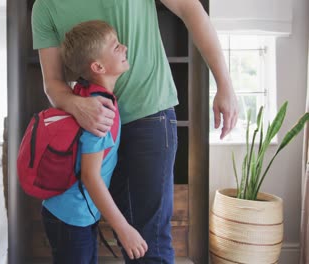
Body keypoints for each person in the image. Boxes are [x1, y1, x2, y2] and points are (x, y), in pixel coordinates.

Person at [32, 1, 239, 263]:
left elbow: (190, 8)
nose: (124, 48)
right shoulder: (44, 7)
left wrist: (225, 84)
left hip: (149, 116)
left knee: (148, 243)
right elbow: (52, 82)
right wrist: (77, 105)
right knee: (115, 237)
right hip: (95, 122)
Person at [41, 20, 148, 264]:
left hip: (69, 211)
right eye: (115, 46)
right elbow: (91, 177)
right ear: (98, 66)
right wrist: (124, 229)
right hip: (71, 217)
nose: (125, 47)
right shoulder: (100, 111)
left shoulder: (85, 92)